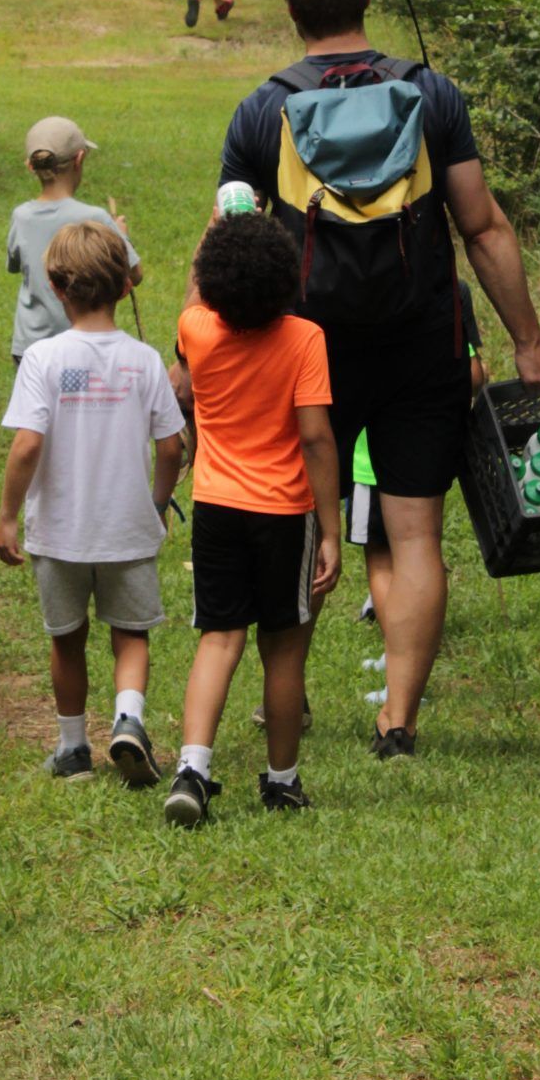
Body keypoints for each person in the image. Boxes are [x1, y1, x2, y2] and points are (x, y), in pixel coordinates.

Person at [218, 0, 540, 759]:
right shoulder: (430, 94)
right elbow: (481, 227)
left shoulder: (263, 110)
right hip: (423, 341)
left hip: (305, 351)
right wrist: (529, 341)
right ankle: (398, 721)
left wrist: (202, 356)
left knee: (298, 521)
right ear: (364, 1)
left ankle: (284, 702)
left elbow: (229, 250)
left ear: (292, 11)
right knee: (413, 534)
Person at [0, 220, 187, 785]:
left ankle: (74, 749)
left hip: (60, 531)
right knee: (130, 634)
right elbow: (171, 446)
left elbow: (28, 443)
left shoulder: (44, 359)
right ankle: (128, 719)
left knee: (67, 639)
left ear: (56, 288)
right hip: (127, 526)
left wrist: (7, 514)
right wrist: (157, 502)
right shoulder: (146, 360)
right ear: (126, 286)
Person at [165, 215, 340, 824]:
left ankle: (192, 769)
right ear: (285, 280)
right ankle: (282, 781)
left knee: (219, 639)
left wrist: (206, 233)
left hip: (216, 505)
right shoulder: (305, 339)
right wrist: (333, 532)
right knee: (284, 650)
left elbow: (191, 302)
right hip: (285, 513)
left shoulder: (197, 330)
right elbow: (316, 438)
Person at [352, 288, 486, 629]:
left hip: (369, 462)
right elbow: (473, 374)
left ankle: (396, 650)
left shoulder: (353, 292)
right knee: (420, 548)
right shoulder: (448, 288)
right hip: (424, 452)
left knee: (381, 558)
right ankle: (419, 643)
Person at [7, 117, 142, 364]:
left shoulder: (21, 216)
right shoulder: (96, 218)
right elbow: (135, 275)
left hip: (29, 346)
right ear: (79, 159)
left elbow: (15, 265)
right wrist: (121, 235)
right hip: (82, 344)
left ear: (30, 166)